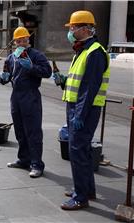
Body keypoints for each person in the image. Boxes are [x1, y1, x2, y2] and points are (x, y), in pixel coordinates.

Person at [53, 10, 110, 210]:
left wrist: (79, 114)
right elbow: (79, 82)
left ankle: (80, 197)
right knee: (82, 150)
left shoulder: (95, 52)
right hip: (77, 107)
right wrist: (64, 81)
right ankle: (87, 190)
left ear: (86, 29)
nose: (71, 31)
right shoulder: (82, 50)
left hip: (85, 109)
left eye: (74, 28)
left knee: (76, 150)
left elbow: (89, 88)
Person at [0, 27, 52, 178]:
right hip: (16, 96)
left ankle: (36, 164)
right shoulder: (11, 58)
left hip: (31, 95)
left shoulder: (36, 55)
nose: (21, 42)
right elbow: (5, 78)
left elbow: (47, 72)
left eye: (24, 40)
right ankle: (24, 159)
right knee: (20, 131)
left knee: (33, 131)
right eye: (18, 40)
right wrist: (2, 77)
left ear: (29, 40)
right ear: (14, 42)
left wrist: (32, 67)